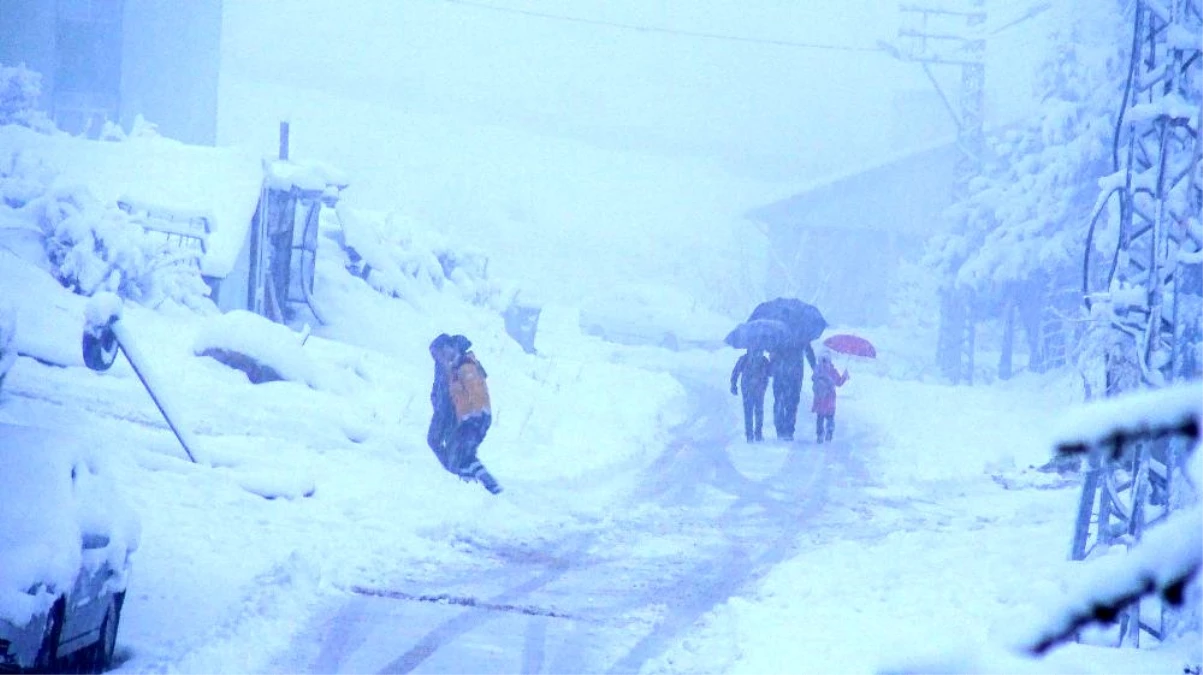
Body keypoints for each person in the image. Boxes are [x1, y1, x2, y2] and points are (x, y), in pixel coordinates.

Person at [428, 334, 503, 494]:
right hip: (470, 419)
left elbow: (476, 391)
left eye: (442, 351)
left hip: (473, 419)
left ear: (450, 347)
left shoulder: (465, 366)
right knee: (462, 457)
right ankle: (479, 487)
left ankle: (487, 487)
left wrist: (473, 416)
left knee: (460, 457)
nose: (440, 357)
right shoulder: (456, 367)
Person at [769, 343, 816, 441]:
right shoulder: (801, 333)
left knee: (779, 401)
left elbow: (771, 351)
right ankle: (788, 430)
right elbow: (808, 351)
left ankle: (781, 429)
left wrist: (772, 362)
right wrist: (815, 368)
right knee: (792, 403)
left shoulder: (777, 333)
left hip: (780, 373)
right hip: (795, 373)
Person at [730, 348, 770, 442]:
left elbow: (735, 372)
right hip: (760, 388)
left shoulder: (744, 358)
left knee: (748, 411)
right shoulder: (764, 360)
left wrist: (733, 385)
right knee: (759, 410)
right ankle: (758, 434)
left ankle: (749, 435)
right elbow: (771, 373)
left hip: (747, 388)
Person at [811, 349, 849, 443]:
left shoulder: (817, 370)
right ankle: (829, 432)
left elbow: (813, 379)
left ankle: (820, 434)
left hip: (819, 399)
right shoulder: (832, 371)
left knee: (820, 418)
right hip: (829, 400)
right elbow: (839, 383)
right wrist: (845, 376)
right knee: (830, 417)